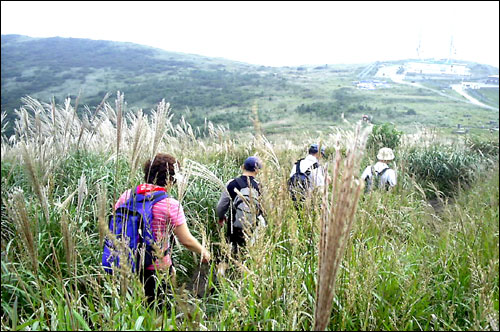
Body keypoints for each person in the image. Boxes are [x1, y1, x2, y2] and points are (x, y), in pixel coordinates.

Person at [113, 153, 210, 305]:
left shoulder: (127, 195)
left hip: (125, 262)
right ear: (171, 179)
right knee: (158, 310)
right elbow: (186, 240)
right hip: (157, 268)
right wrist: (203, 251)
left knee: (133, 308)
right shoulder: (170, 204)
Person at [216, 156, 264, 255]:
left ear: (243, 167)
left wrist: (221, 217)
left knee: (232, 252)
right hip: (253, 227)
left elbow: (221, 207)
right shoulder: (260, 186)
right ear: (257, 170)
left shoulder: (231, 184)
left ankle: (230, 267)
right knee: (250, 253)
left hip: (234, 225)